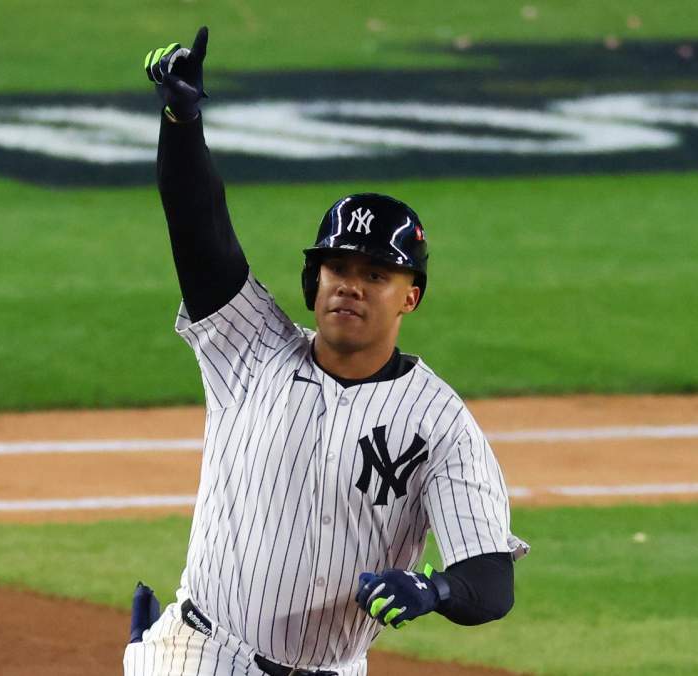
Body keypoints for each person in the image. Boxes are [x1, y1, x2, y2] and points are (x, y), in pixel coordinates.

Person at [125, 26, 528, 676]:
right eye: (338, 267)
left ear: (410, 297)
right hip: (201, 655)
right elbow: (199, 230)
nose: (350, 285)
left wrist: (434, 590)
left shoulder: (440, 423)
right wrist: (181, 122)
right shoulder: (250, 347)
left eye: (376, 274)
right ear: (315, 279)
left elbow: (490, 578)